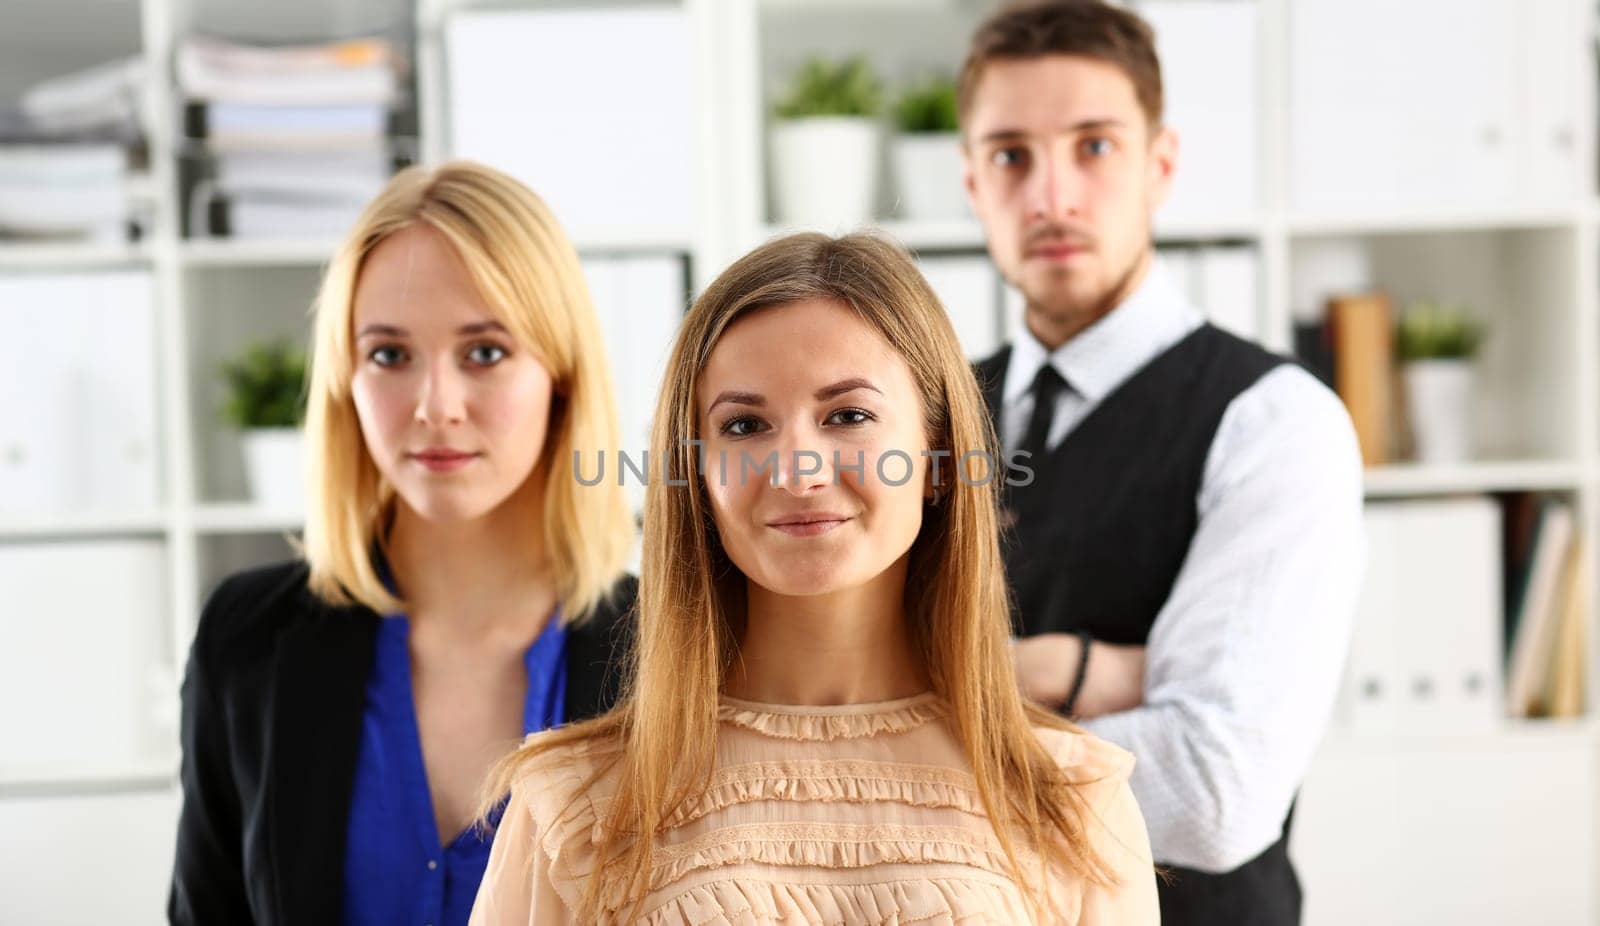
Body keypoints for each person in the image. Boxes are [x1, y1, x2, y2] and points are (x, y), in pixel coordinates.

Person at [468, 232, 1159, 924]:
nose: (798, 472)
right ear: (696, 476)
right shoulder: (574, 809)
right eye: (743, 426)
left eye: (849, 416)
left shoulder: (1073, 802)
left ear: (940, 457)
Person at [957, 3, 1365, 924]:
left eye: (1094, 147)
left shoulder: (1274, 421)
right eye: (1011, 155)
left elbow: (1216, 792)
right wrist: (1091, 672)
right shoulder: (927, 415)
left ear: (1161, 164)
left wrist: (976, 695)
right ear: (973, 184)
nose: (1052, 197)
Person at [168, 161, 640, 926]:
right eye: (390, 354)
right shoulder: (247, 640)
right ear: (345, 379)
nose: (435, 406)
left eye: (484, 352)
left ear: (560, 374)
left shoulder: (680, 651)